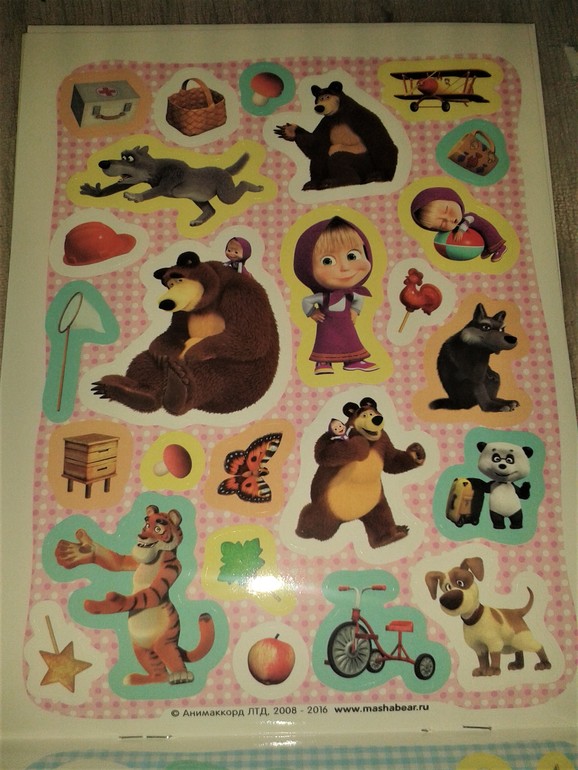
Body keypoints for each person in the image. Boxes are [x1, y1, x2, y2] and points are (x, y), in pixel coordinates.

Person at [293, 216, 378, 374]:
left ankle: (353, 360)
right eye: (327, 261)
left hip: (346, 324)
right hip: (327, 325)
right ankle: (323, 362)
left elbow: (358, 300)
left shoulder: (351, 294)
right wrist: (312, 312)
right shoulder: (323, 297)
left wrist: (355, 311)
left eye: (352, 256)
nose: (345, 267)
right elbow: (307, 301)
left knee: (351, 340)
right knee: (325, 342)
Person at [411, 186, 507, 262]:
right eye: (442, 225)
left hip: (486, 230)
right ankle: (489, 248)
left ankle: (500, 248)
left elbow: (467, 222)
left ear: (453, 199)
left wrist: (461, 231)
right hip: (478, 237)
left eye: (447, 210)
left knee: (491, 237)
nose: (450, 219)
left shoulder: (468, 216)